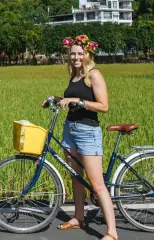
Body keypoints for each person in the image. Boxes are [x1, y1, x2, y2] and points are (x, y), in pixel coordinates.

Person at [54, 35, 118, 240]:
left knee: (97, 184)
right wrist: (55, 99)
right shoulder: (74, 75)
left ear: (87, 54)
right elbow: (71, 99)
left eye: (80, 54)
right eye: (72, 54)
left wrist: (79, 101)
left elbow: (103, 106)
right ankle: (78, 217)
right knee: (76, 176)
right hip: (70, 130)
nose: (76, 57)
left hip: (87, 132)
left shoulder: (93, 75)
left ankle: (112, 233)